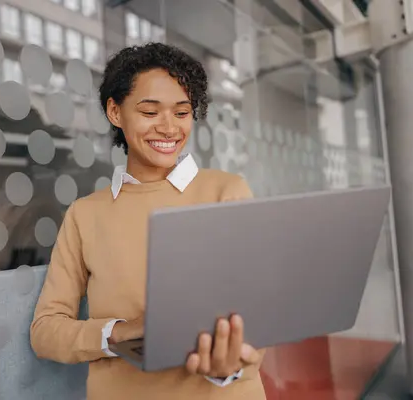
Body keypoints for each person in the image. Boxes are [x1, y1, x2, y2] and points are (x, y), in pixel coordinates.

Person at [30, 42, 266, 399]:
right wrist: (116, 333)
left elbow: (259, 318)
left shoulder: (227, 192)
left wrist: (229, 367)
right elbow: (45, 331)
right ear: (115, 111)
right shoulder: (86, 214)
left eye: (182, 112)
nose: (169, 128)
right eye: (150, 111)